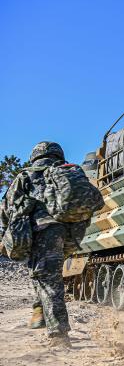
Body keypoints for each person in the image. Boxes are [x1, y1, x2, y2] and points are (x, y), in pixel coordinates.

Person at [3, 142, 73, 346]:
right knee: (42, 274)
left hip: (40, 233)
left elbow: (7, 209)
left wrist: (8, 234)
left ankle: (59, 336)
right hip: (68, 235)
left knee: (50, 283)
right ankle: (39, 309)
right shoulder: (66, 173)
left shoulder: (27, 176)